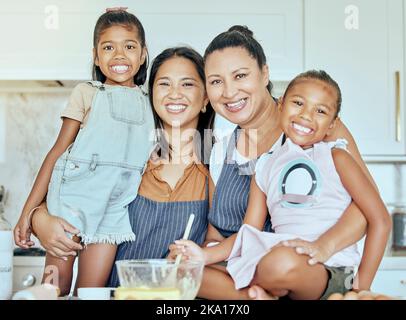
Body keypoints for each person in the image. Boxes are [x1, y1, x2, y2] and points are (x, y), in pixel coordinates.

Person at [180, 25, 380, 300]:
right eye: (216, 81)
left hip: (309, 267)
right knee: (178, 268)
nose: (229, 92)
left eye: (240, 76)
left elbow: (366, 208)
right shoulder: (219, 149)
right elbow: (217, 231)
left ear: (265, 73)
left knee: (278, 266)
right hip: (248, 268)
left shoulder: (314, 125)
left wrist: (324, 246)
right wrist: (205, 252)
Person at [23, 46, 215, 292]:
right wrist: (39, 218)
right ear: (150, 96)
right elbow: (72, 200)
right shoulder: (126, 158)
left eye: (187, 84)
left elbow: (223, 246)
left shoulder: (218, 166)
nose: (175, 94)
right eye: (164, 84)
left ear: (205, 100)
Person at [13, 10, 155, 295]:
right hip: (72, 200)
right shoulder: (87, 93)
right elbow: (57, 152)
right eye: (108, 47)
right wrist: (28, 212)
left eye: (129, 46)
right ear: (95, 55)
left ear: (142, 55)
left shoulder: (151, 102)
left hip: (115, 208)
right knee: (56, 284)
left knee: (91, 289)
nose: (118, 55)